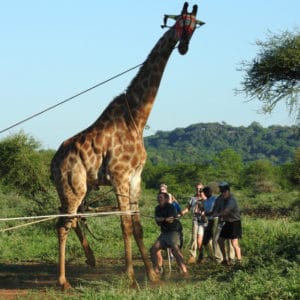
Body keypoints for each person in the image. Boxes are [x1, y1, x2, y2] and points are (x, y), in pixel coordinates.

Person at [150, 192, 189, 277]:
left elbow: (171, 220)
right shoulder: (157, 208)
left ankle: (185, 272)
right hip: (164, 233)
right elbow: (157, 222)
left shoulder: (171, 207)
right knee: (153, 249)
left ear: (166, 199)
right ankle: (156, 271)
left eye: (161, 198)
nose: (159, 199)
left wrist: (162, 219)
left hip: (174, 231)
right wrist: (162, 219)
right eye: (158, 198)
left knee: (175, 250)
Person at [213, 182, 242, 265]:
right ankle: (225, 259)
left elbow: (226, 211)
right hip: (226, 222)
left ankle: (239, 261)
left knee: (234, 243)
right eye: (221, 191)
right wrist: (212, 213)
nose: (223, 193)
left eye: (224, 191)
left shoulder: (231, 200)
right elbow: (216, 207)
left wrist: (217, 214)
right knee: (220, 240)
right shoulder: (220, 198)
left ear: (228, 191)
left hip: (234, 222)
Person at [181, 182, 205, 264]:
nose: (198, 190)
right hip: (195, 219)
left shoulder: (205, 198)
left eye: (200, 189)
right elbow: (188, 208)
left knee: (202, 240)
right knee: (194, 238)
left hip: (204, 220)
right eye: (197, 188)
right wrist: (180, 213)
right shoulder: (193, 198)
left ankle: (205, 254)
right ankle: (193, 255)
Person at [199, 186, 217, 261]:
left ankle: (218, 257)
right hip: (208, 221)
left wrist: (208, 213)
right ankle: (212, 256)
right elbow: (204, 210)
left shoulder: (215, 199)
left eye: (205, 192)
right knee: (205, 240)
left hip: (215, 219)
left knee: (215, 239)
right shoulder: (205, 201)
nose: (205, 194)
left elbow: (216, 209)